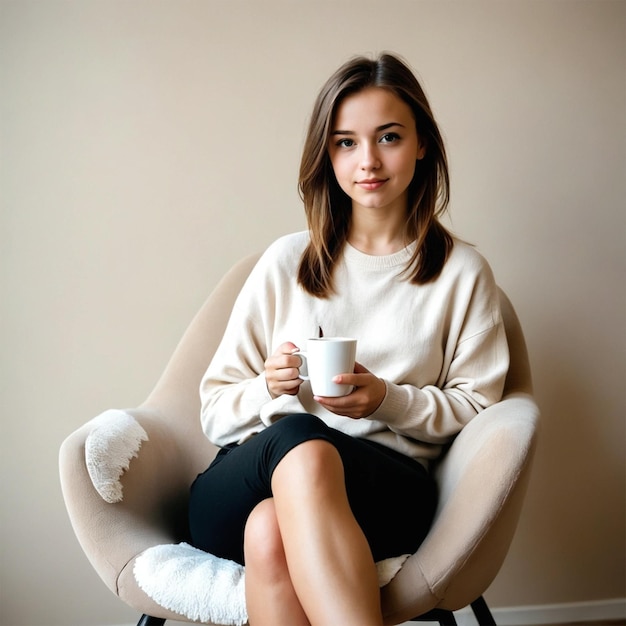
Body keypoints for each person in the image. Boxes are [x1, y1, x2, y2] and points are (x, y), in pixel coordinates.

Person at [188, 52, 509, 626]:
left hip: (385, 490)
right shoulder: (286, 262)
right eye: (345, 143)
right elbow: (214, 411)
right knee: (297, 441)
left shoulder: (462, 273)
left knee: (271, 528)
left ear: (422, 144)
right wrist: (269, 387)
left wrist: (387, 399)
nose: (368, 161)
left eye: (388, 137)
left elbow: (480, 408)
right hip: (255, 472)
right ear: (326, 154)